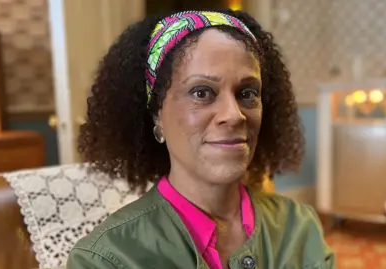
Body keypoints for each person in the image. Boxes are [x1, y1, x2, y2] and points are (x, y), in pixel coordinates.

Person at [67, 9, 335, 269]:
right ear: (156, 115)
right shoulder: (105, 259)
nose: (234, 115)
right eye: (201, 93)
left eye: (247, 93)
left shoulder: (300, 228)